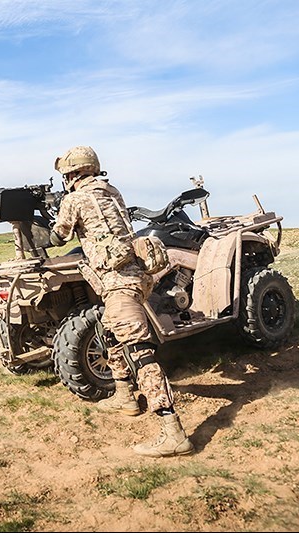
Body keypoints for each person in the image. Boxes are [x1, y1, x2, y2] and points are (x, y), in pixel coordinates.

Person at [48, 145, 194, 457]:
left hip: (118, 283)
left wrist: (53, 216)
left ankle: (173, 432)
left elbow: (58, 237)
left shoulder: (74, 199)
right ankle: (125, 395)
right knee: (109, 333)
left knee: (140, 353)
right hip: (138, 276)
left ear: (72, 174)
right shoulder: (111, 191)